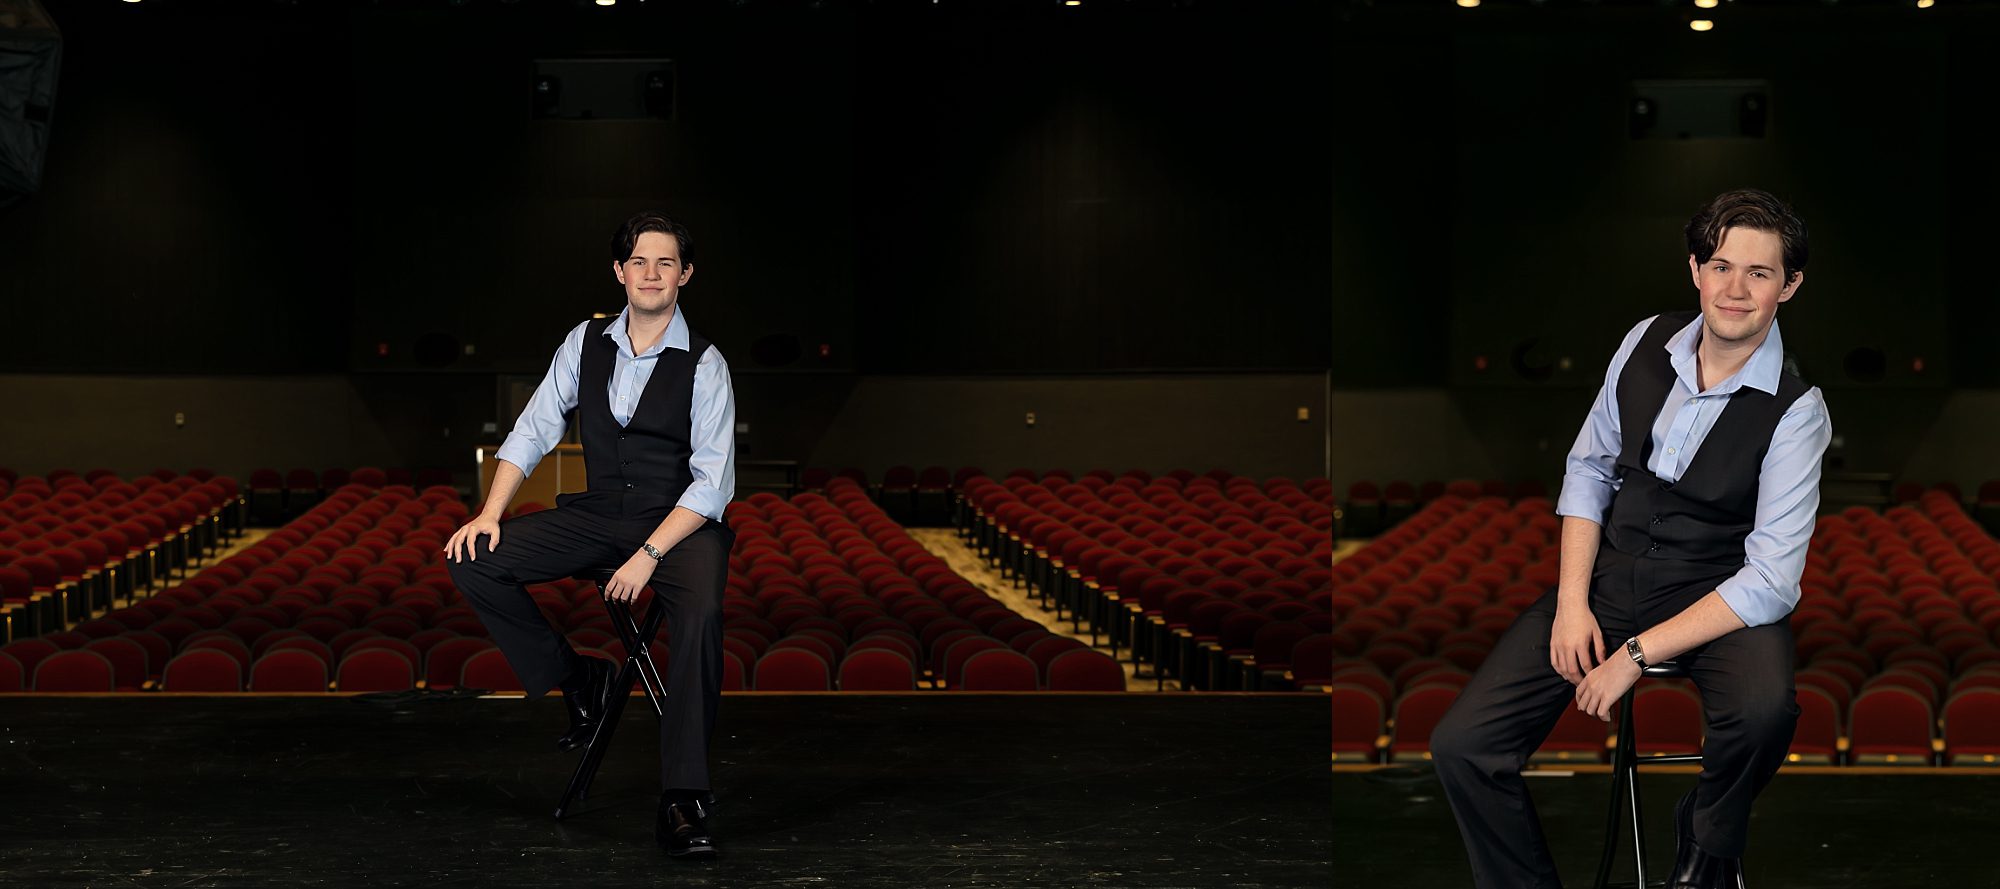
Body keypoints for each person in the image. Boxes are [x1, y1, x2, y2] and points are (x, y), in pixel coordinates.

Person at [1430, 188, 1832, 889]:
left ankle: (1705, 837)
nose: (1734, 289)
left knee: (1767, 711)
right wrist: (1571, 603)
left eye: (1759, 273)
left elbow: (1770, 580)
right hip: (1612, 579)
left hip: (1719, 592)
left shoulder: (1799, 412)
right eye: (1720, 265)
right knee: (1462, 745)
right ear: (1695, 270)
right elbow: (1587, 469)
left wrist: (1634, 656)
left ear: (1789, 285)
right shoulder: (1644, 340)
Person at [443, 211, 736, 859]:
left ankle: (683, 796)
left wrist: (649, 552)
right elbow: (535, 427)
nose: (651, 273)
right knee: (475, 558)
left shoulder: (706, 363)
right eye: (639, 261)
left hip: (680, 522)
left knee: (701, 613)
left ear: (684, 275)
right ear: (619, 271)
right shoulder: (585, 340)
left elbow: (713, 483)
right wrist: (491, 511)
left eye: (665, 263)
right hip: (601, 510)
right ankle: (580, 681)